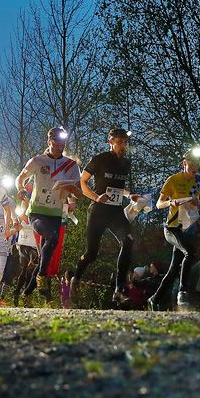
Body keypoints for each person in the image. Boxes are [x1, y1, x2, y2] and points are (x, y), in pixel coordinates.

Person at [72, 127, 141, 307]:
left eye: (125, 142)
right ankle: (75, 278)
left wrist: (129, 195)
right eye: (119, 142)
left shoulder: (126, 163)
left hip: (116, 212)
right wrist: (96, 197)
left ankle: (118, 290)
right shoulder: (99, 159)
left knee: (128, 241)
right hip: (98, 211)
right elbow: (82, 181)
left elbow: (119, 188)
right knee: (92, 253)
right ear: (111, 142)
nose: (123, 146)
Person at [16, 127, 83, 300]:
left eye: (62, 144)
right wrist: (21, 188)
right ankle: (42, 278)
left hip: (55, 213)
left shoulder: (71, 165)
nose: (58, 147)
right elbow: (20, 177)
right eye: (55, 143)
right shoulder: (37, 161)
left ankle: (28, 292)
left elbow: (79, 193)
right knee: (52, 239)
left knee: (45, 256)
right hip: (37, 212)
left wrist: (71, 190)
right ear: (49, 142)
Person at [149, 147, 200, 311]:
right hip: (172, 229)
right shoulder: (173, 180)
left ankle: (154, 299)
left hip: (188, 229)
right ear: (184, 163)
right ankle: (183, 291)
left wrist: (198, 203)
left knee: (172, 271)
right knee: (191, 253)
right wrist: (170, 203)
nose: (195, 166)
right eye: (192, 162)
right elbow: (158, 204)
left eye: (198, 162)